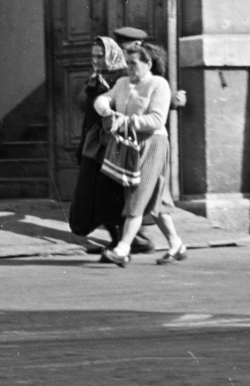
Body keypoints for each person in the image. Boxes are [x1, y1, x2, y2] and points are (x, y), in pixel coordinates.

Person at [94, 42, 186, 266]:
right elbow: (104, 98)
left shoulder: (158, 84)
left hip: (153, 144)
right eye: (127, 63)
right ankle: (176, 244)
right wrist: (106, 110)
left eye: (134, 63)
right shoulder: (122, 83)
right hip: (130, 145)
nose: (129, 68)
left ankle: (123, 249)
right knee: (155, 199)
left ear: (148, 64)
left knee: (137, 194)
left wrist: (125, 122)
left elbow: (157, 119)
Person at [68, 37, 130, 240]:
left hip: (113, 141)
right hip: (94, 142)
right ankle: (121, 239)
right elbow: (86, 112)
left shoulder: (123, 77)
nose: (95, 60)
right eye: (93, 56)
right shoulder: (95, 76)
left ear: (111, 54)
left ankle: (126, 240)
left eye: (100, 56)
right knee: (92, 192)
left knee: (112, 192)